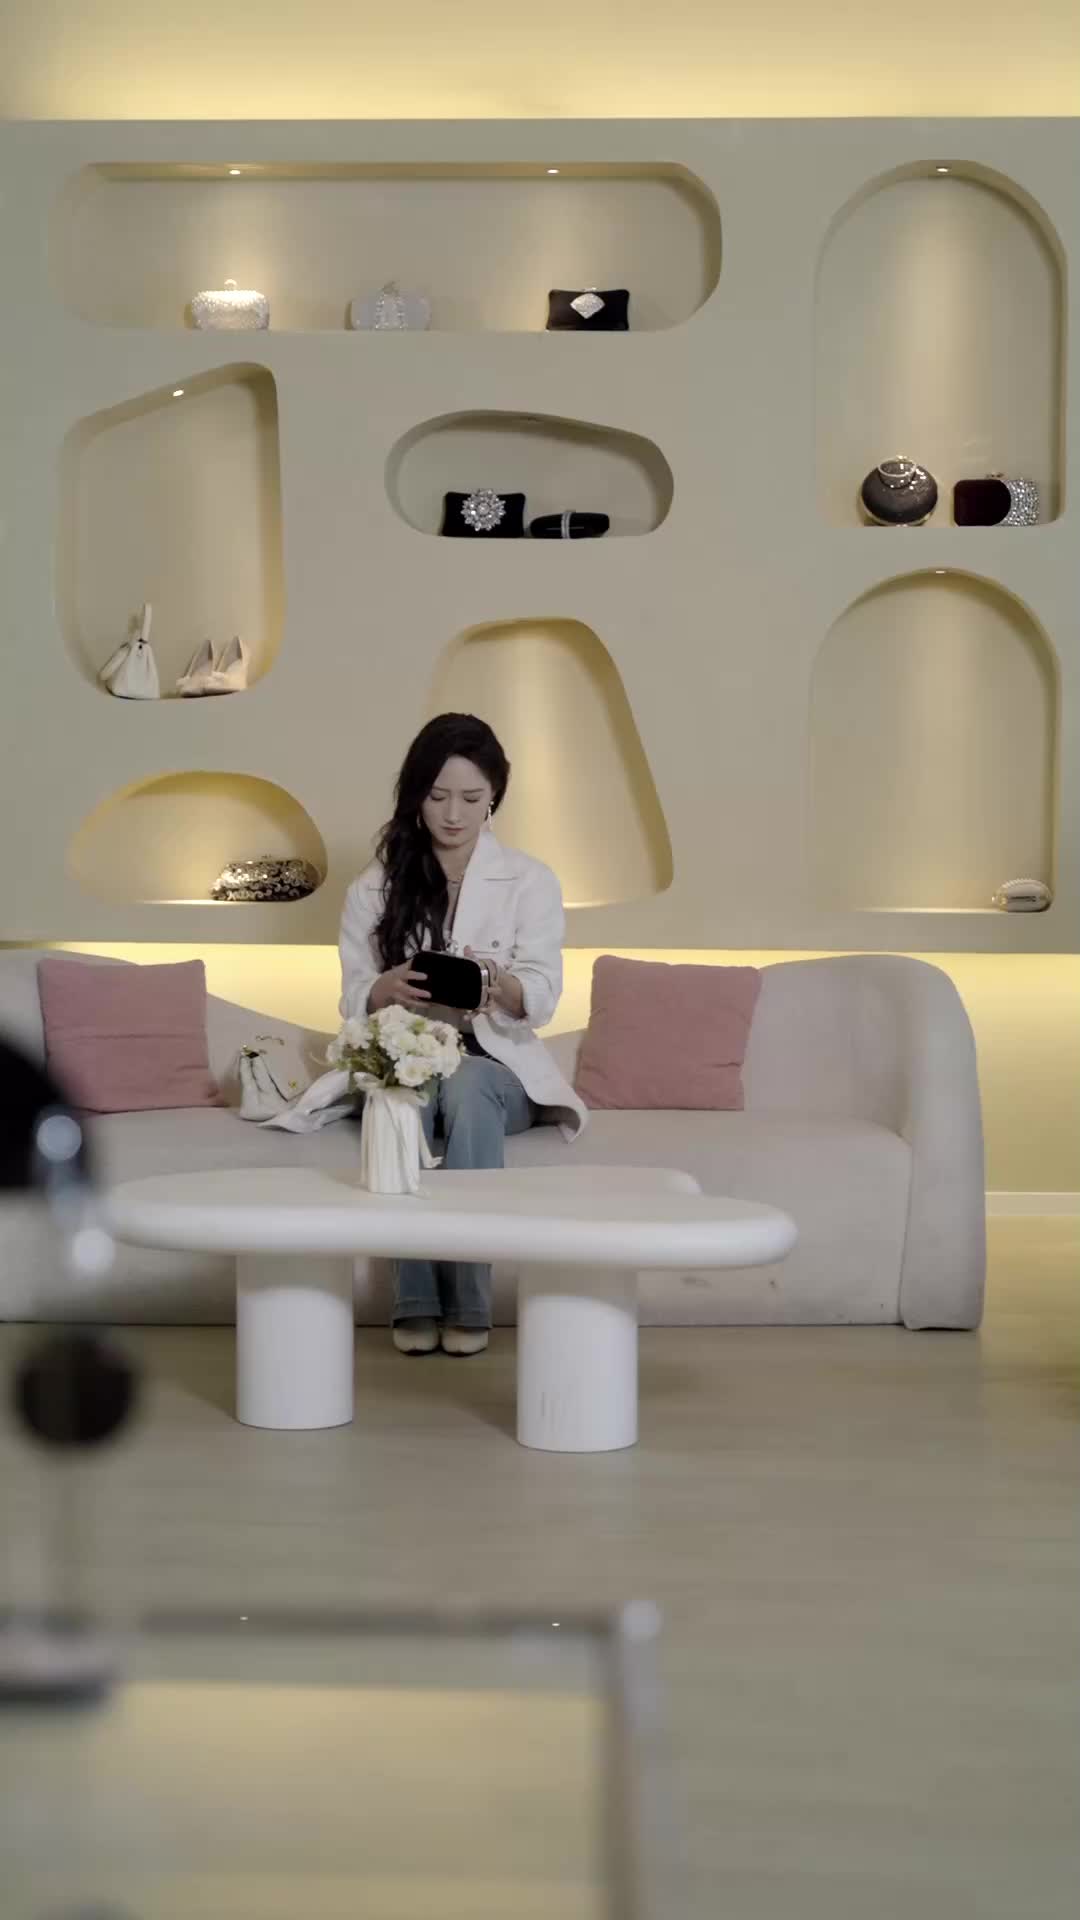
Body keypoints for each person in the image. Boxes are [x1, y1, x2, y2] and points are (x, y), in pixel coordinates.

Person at [339, 713, 586, 1356]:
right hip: (410, 1057)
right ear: (415, 794)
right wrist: (382, 989)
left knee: (469, 1082)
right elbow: (352, 994)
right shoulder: (374, 886)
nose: (453, 815)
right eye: (438, 796)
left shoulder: (531, 880)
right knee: (411, 1092)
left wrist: (498, 984)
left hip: (498, 1067)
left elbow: (544, 997)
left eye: (472, 799)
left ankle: (470, 1303)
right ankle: (416, 1302)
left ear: (494, 796)